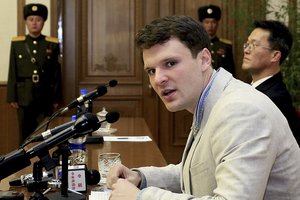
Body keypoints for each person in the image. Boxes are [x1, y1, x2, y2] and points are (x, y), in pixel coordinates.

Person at [106, 16, 300, 200]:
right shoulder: (212, 100)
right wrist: (141, 178)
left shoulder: (241, 111)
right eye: (151, 71)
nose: (158, 79)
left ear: (205, 59)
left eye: (170, 63)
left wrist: (140, 197)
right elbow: (198, 171)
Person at [6, 3, 62, 145]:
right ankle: (23, 165)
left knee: (46, 134)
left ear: (43, 22)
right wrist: (12, 96)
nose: (34, 23)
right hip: (24, 96)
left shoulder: (52, 44)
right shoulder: (17, 43)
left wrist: (57, 97)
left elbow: (56, 73)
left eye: (38, 19)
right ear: (25, 21)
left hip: (45, 96)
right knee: (24, 134)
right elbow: (12, 70)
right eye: (31, 19)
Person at [242, 20, 299, 144]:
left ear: (275, 56)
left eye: (254, 45)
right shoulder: (257, 90)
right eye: (247, 44)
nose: (246, 50)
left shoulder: (273, 99)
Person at [198, 4, 235, 76]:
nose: (210, 25)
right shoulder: (197, 45)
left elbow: (231, 70)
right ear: (202, 24)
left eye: (213, 22)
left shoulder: (226, 45)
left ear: (217, 24)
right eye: (207, 22)